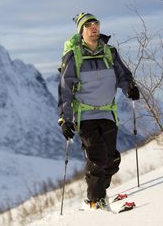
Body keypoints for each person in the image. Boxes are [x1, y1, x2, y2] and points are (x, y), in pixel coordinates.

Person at [57, 12, 140, 209]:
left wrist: (129, 87)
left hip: (107, 113)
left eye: (96, 24)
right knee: (96, 158)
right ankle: (95, 200)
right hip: (85, 116)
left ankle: (101, 192)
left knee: (112, 160)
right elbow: (65, 89)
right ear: (81, 31)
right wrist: (65, 119)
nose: (94, 28)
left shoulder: (110, 53)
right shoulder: (73, 56)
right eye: (88, 25)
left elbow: (123, 75)